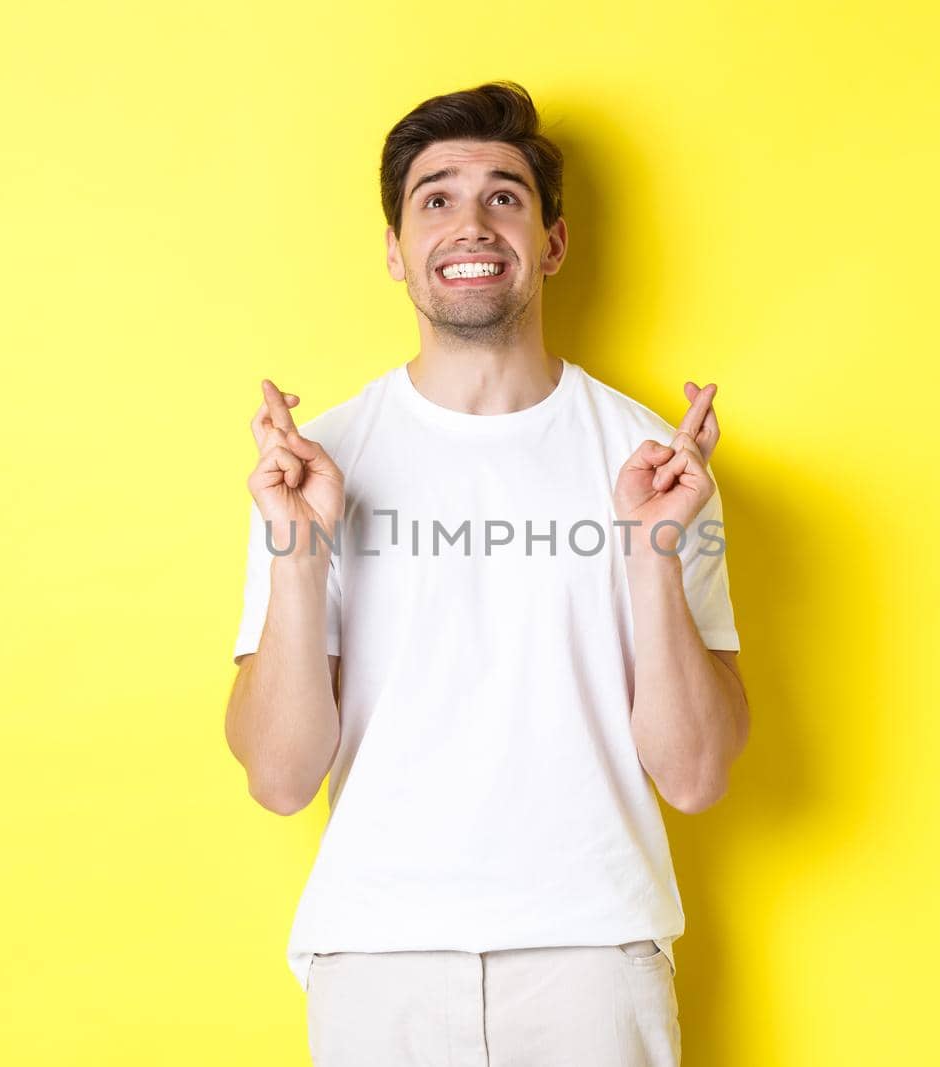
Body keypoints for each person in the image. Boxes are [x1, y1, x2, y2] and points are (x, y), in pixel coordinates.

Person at [225, 80, 749, 1067]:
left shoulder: (655, 466)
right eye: (436, 197)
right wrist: (300, 551)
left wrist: (652, 551)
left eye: (504, 195)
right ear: (394, 248)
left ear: (551, 241)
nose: (471, 220)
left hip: (594, 951)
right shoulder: (316, 462)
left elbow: (696, 772)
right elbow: (279, 775)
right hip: (377, 958)